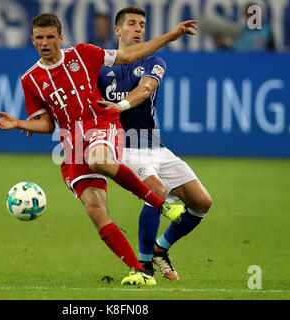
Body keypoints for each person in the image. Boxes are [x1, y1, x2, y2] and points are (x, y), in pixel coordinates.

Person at [0, 13, 198, 286]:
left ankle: (164, 207)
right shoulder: (30, 79)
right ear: (32, 40)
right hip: (71, 142)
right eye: (39, 38)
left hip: (101, 123)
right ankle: (139, 271)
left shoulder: (83, 54)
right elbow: (46, 123)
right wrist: (19, 122)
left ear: (60, 38)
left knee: (98, 159)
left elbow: (127, 56)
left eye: (50, 37)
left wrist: (171, 36)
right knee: (95, 208)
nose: (45, 43)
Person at [97, 6, 212, 281]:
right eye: (132, 24)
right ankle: (144, 266)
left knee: (201, 202)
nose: (138, 29)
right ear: (118, 30)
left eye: (142, 25)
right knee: (157, 192)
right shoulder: (100, 68)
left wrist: (120, 105)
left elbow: (146, 88)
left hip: (155, 146)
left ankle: (161, 248)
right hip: (124, 146)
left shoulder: (153, 61)